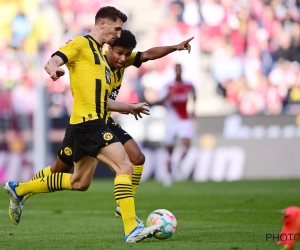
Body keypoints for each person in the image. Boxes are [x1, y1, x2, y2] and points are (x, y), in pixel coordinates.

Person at [4, 6, 161, 243]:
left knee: (80, 182)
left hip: (87, 124)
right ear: (102, 24)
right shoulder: (81, 43)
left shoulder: (100, 54)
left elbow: (101, 96)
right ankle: (131, 228)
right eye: (116, 28)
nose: (119, 34)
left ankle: (21, 189)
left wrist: (126, 107)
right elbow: (55, 58)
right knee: (125, 167)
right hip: (89, 124)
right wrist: (53, 68)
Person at [12, 30, 194, 223]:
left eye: (127, 54)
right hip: (87, 121)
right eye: (120, 53)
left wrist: (175, 47)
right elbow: (99, 101)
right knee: (63, 171)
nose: (124, 59)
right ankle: (23, 190)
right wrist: (128, 107)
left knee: (137, 158)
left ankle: (123, 207)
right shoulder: (95, 65)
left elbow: (148, 54)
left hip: (103, 120)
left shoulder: (123, 60)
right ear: (109, 49)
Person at [155, 63, 197, 186]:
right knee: (170, 149)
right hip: (171, 119)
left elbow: (194, 93)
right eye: (176, 69)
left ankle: (178, 163)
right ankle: (168, 175)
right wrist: (168, 95)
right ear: (174, 71)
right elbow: (158, 102)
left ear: (182, 70)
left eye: (180, 69)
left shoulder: (188, 84)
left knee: (187, 143)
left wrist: (194, 109)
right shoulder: (168, 86)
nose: (178, 71)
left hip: (184, 119)